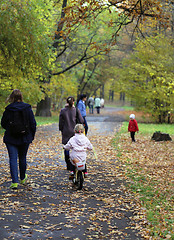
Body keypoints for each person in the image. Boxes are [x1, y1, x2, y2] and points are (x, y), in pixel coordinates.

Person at [1, 89, 36, 189]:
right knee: (22, 158)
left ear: (12, 97)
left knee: (12, 159)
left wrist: (10, 128)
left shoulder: (8, 109)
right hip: (25, 137)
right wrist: (31, 136)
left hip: (11, 138)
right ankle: (22, 178)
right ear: (21, 97)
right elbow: (33, 123)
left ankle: (14, 182)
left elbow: (3, 123)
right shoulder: (27, 108)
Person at [59, 96, 84, 172]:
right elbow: (81, 120)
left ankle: (68, 164)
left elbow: (60, 122)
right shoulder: (76, 110)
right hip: (75, 132)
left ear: (66, 102)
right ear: (73, 102)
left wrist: (61, 129)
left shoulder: (63, 111)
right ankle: (74, 163)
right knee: (74, 147)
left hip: (66, 131)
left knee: (67, 146)